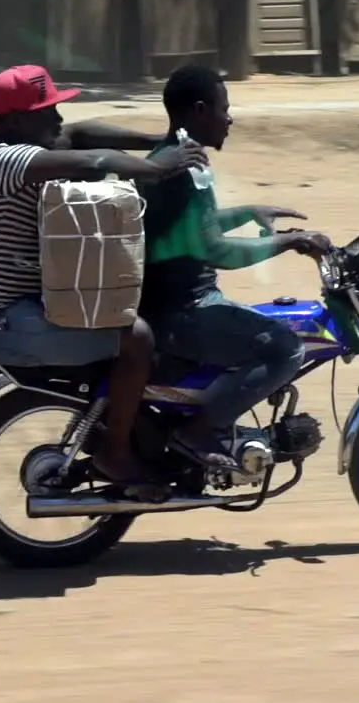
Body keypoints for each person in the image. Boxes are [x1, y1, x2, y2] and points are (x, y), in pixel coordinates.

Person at [0, 64, 207, 493]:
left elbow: (83, 135)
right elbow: (93, 160)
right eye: (46, 110)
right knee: (138, 338)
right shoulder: (11, 161)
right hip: (6, 321)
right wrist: (164, 166)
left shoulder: (8, 146)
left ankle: (125, 426)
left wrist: (155, 141)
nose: (57, 119)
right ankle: (116, 455)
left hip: (17, 307)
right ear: (14, 121)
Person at [137, 65, 334, 469]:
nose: (230, 118)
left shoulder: (173, 157)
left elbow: (189, 228)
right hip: (181, 313)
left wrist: (247, 212)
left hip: (176, 304)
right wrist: (291, 241)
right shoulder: (183, 167)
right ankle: (198, 432)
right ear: (199, 110)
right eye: (224, 108)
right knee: (285, 346)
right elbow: (215, 250)